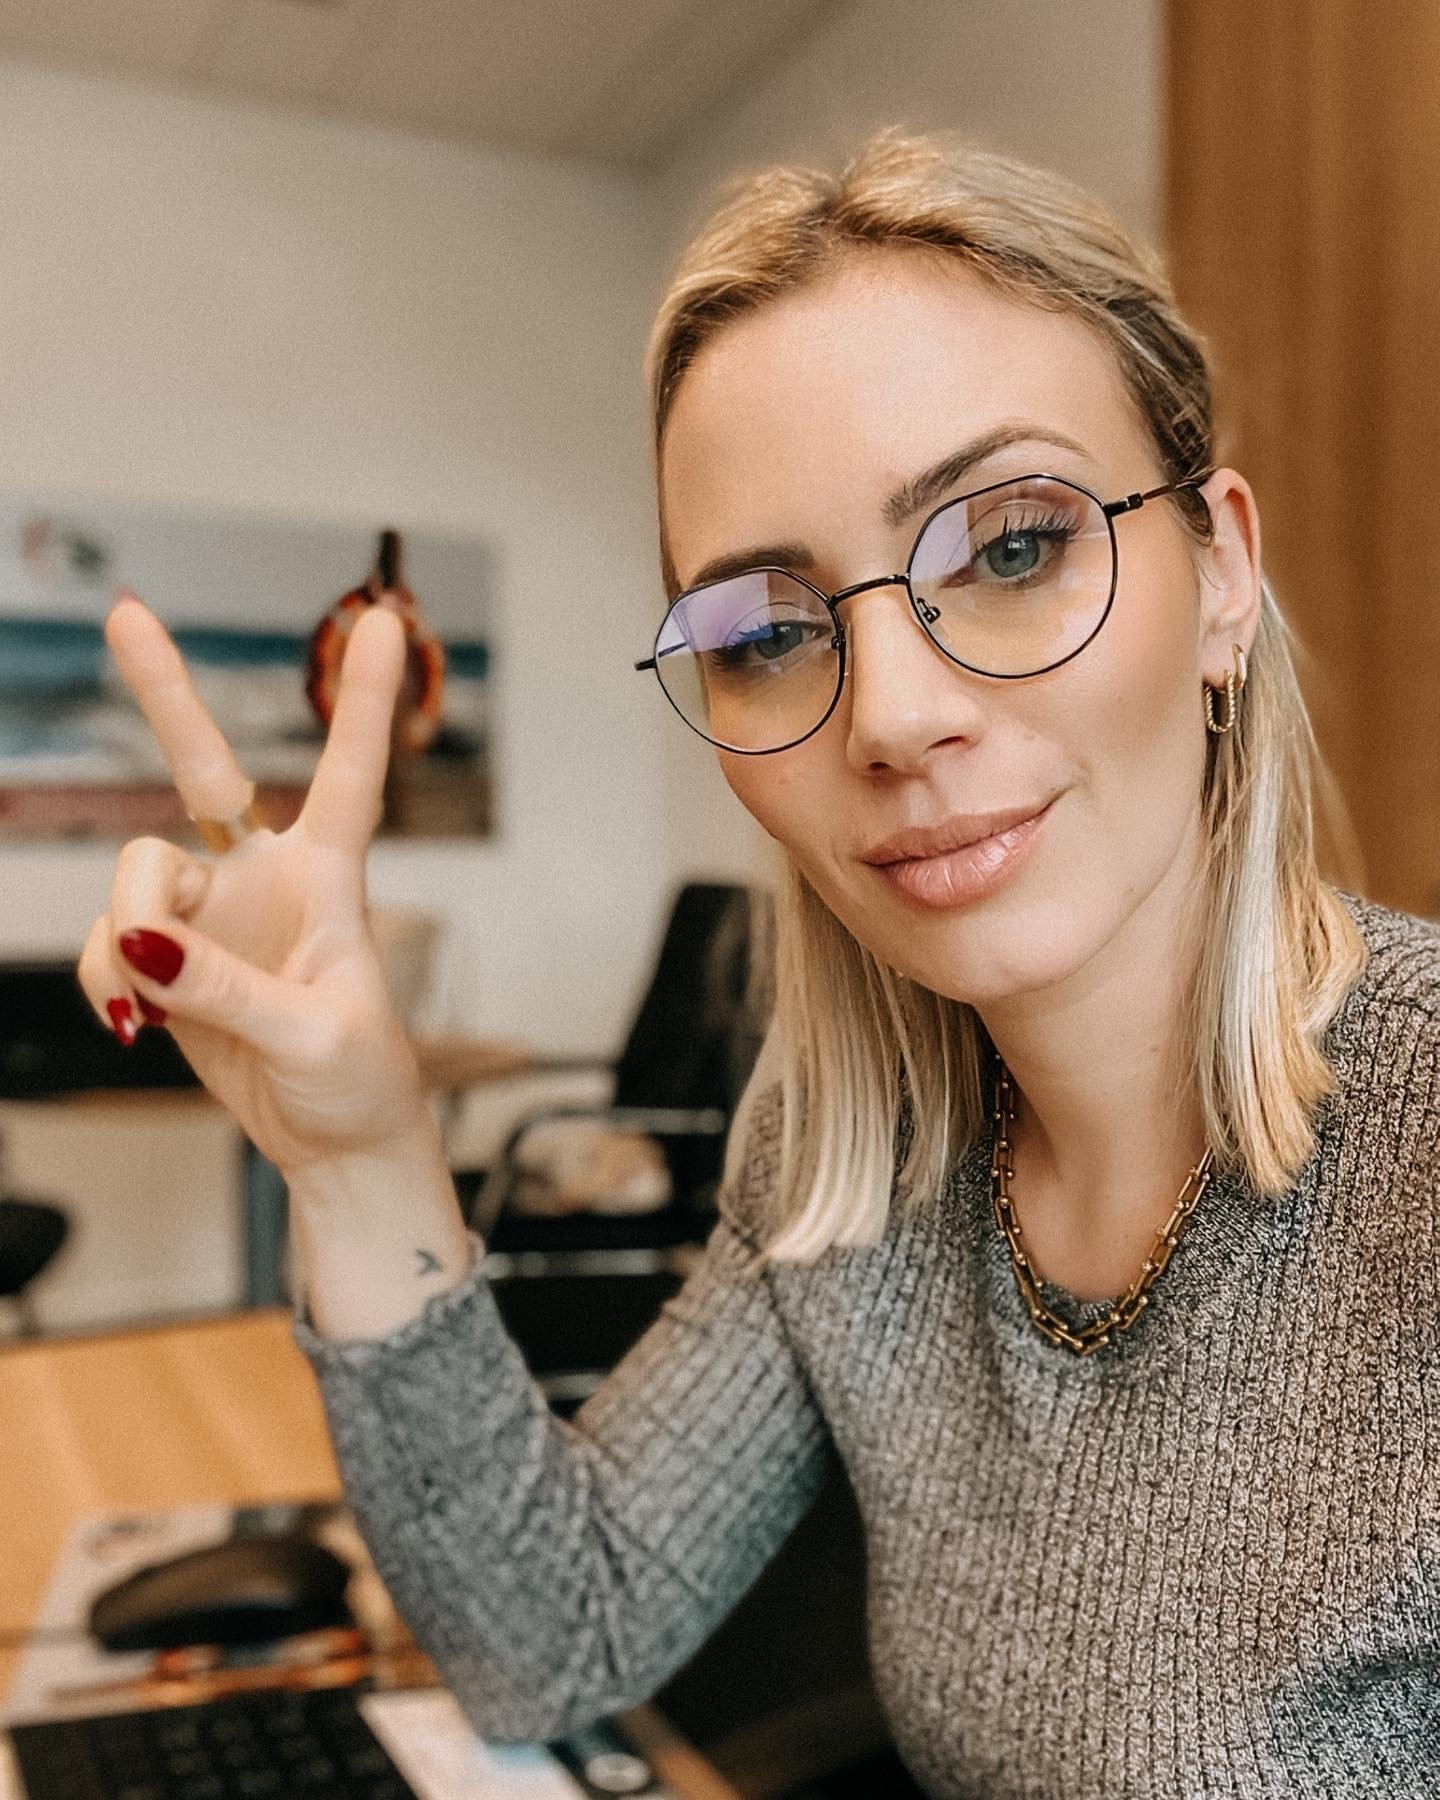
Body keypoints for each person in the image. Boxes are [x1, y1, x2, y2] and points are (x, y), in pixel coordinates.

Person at [79, 128, 1439, 1798]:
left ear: (1221, 571)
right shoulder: (853, 1168)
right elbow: (549, 1634)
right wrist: (357, 1160)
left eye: (1012, 547)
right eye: (767, 633)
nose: (893, 716)